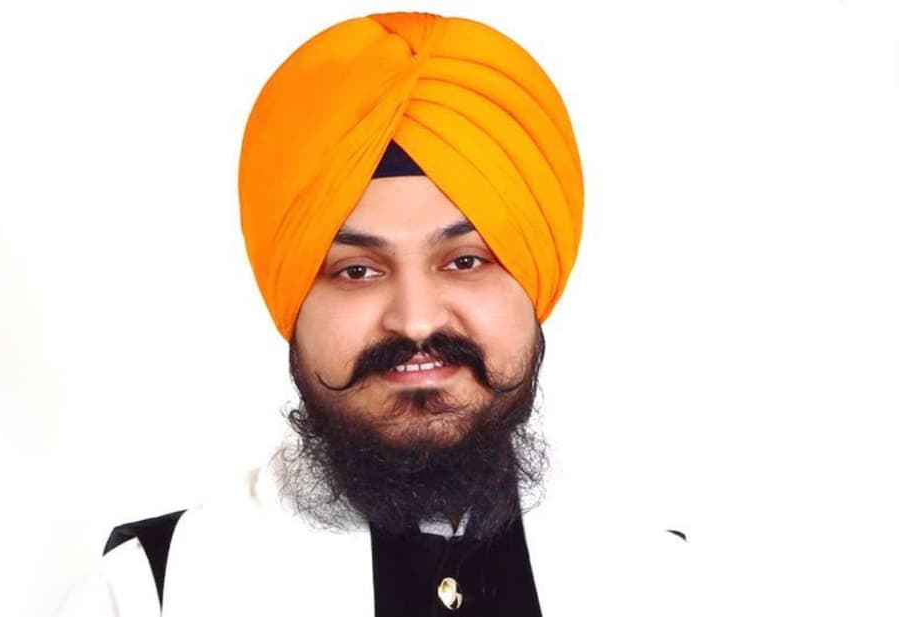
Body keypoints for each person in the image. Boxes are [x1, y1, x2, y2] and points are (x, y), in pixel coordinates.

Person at [56, 11, 691, 616]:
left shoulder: (668, 583)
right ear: (291, 300)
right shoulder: (152, 593)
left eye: (465, 261)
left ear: (534, 282)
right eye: (357, 271)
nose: (415, 322)